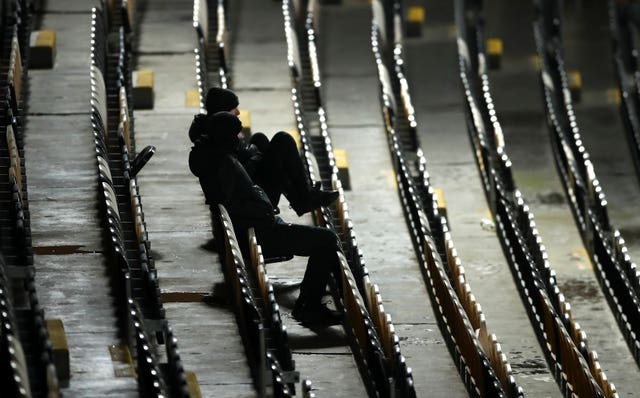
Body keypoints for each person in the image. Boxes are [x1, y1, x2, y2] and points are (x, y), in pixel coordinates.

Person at [189, 111, 343, 326]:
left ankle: (325, 300)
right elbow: (240, 204)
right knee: (326, 239)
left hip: (253, 229)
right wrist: (265, 205)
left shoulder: (216, 160)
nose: (242, 137)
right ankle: (309, 307)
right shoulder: (226, 166)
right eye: (238, 134)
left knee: (325, 239)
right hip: (260, 232)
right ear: (229, 138)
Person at [189, 87, 338, 216]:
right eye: (234, 107)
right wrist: (254, 153)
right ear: (223, 110)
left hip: (250, 187)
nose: (238, 112)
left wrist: (252, 151)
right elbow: (239, 164)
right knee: (283, 139)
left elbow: (243, 157)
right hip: (257, 197)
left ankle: (301, 197)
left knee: (259, 139)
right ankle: (304, 197)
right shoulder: (221, 137)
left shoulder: (211, 131)